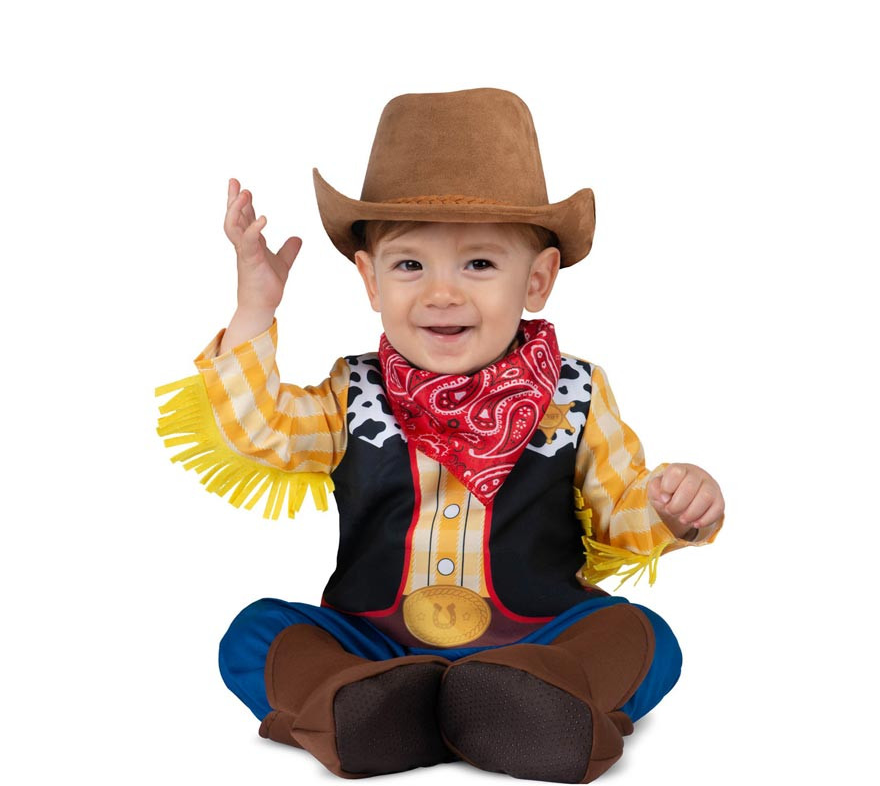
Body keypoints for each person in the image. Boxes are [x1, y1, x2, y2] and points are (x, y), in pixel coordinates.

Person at [156, 87, 724, 783]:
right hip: (374, 646)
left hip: (537, 637)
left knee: (644, 637)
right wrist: (254, 308)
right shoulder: (353, 391)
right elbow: (261, 430)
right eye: (409, 264)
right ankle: (363, 707)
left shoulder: (573, 394)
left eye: (479, 264)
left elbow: (619, 510)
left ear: (538, 280)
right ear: (369, 280)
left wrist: (670, 508)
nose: (441, 293)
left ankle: (534, 696)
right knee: (255, 634)